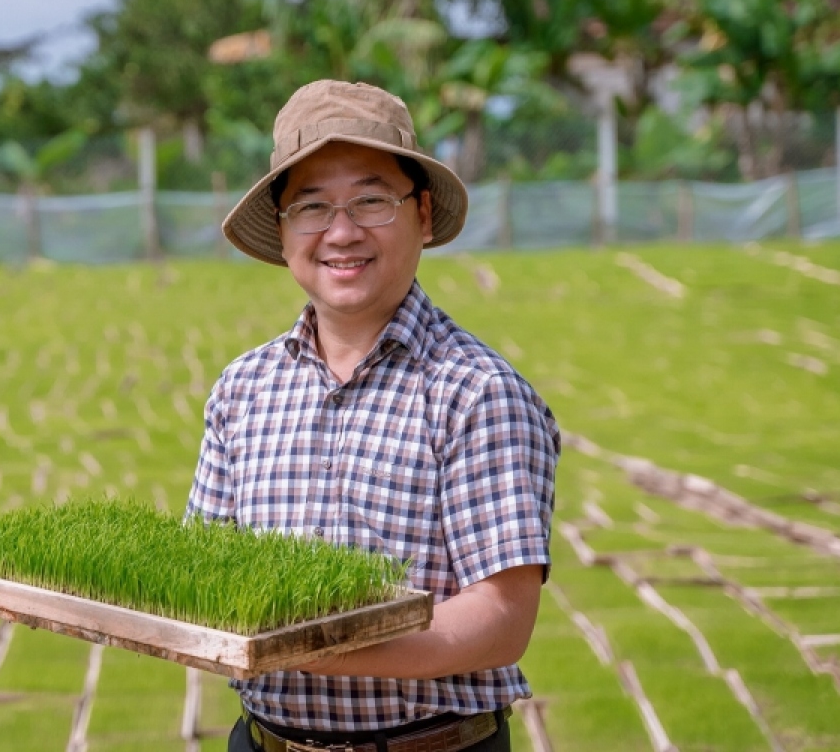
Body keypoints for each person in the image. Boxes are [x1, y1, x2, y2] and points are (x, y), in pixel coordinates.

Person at [185, 80, 560, 752]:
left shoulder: (476, 392)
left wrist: (317, 648)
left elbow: (503, 619)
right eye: (312, 206)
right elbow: (201, 571)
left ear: (420, 216)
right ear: (282, 228)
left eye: (370, 200)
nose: (341, 231)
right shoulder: (242, 389)